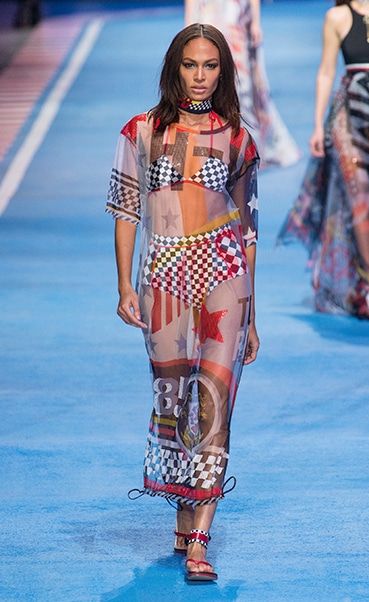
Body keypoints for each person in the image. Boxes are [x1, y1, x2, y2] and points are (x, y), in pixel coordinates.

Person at [106, 23, 260, 581]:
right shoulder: (141, 131)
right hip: (165, 277)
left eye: (210, 65)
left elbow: (248, 230)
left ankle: (199, 539)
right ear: (175, 68)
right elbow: (126, 210)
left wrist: (253, 314)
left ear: (223, 72)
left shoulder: (238, 139)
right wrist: (125, 285)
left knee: (215, 401)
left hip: (225, 276)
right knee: (174, 402)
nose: (200, 76)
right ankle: (183, 508)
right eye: (190, 65)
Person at [277, 0, 369, 320]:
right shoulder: (336, 16)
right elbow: (326, 71)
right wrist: (318, 125)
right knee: (359, 191)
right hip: (348, 117)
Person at [184, 0, 301, 169]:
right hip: (208, 15)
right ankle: (213, 148)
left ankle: (249, 148)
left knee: (242, 86)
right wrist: (188, 24)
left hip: (235, 18)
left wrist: (256, 21)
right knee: (208, 83)